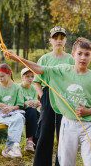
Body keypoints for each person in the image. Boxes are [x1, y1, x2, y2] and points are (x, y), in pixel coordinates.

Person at [6, 37, 91, 166]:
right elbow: (40, 68)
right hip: (68, 123)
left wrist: (87, 111)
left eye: (87, 54)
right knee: (65, 161)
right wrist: (17, 58)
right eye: (79, 54)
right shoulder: (63, 70)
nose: (83, 58)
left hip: (88, 125)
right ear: (73, 55)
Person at [32, 26, 75, 166]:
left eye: (61, 38)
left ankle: (61, 162)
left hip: (65, 96)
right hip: (48, 95)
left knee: (63, 131)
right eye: (55, 38)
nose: (58, 41)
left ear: (65, 40)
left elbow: (74, 79)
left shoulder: (70, 59)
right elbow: (37, 82)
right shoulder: (44, 59)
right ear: (50, 40)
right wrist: (43, 97)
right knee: (45, 131)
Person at [0, 63, 25, 159]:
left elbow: (20, 104)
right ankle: (13, 147)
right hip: (1, 114)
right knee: (16, 120)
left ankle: (11, 147)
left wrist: (11, 108)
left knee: (19, 117)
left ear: (9, 74)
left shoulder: (17, 87)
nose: (0, 78)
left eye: (2, 76)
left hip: (14, 113)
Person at [19, 67, 41, 152]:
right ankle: (30, 141)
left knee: (41, 117)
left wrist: (37, 103)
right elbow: (16, 102)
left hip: (31, 111)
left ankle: (37, 142)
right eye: (27, 76)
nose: (30, 78)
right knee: (32, 111)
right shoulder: (18, 88)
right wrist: (25, 103)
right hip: (20, 110)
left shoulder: (33, 88)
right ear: (22, 77)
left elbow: (34, 100)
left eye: (32, 76)